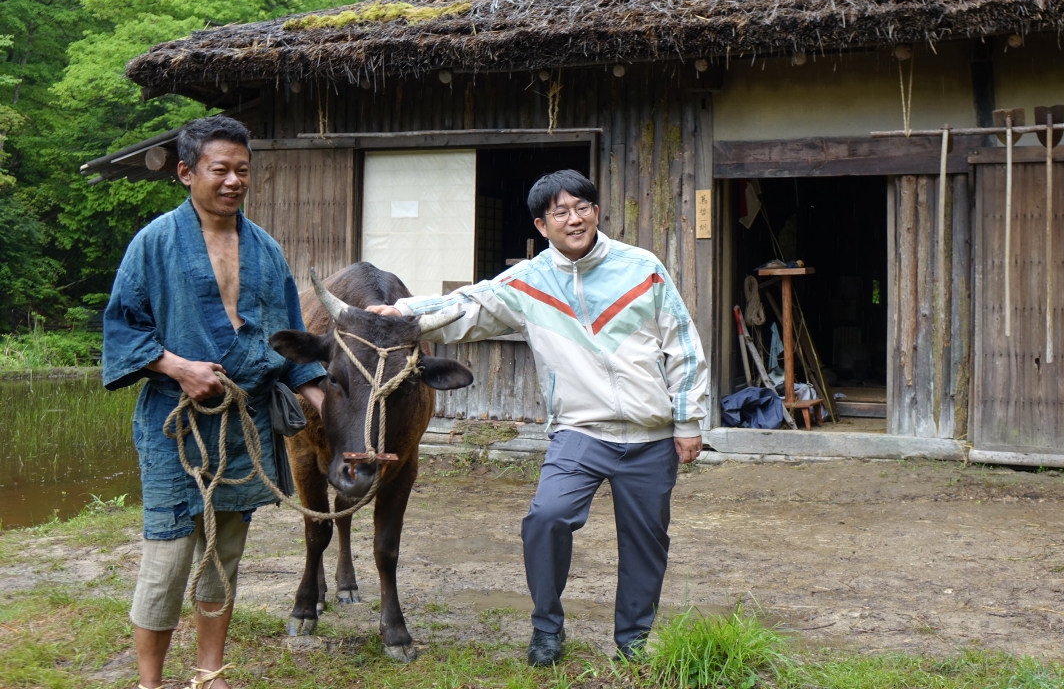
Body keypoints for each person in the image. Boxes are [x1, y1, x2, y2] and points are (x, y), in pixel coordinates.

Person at [366, 169, 708, 665]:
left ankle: (633, 641)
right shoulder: (529, 281)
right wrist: (401, 313)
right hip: (580, 431)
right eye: (560, 212)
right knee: (545, 518)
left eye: (583, 207)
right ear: (542, 225)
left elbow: (684, 345)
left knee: (646, 541)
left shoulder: (643, 268)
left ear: (596, 212)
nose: (575, 219)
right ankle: (547, 627)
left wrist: (687, 420)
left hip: (651, 435)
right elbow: (467, 305)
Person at [102, 116, 325, 689]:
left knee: (223, 556)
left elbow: (291, 342)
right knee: (168, 558)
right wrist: (177, 367)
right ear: (186, 172)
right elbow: (123, 328)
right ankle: (150, 683)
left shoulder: (267, 250)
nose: (233, 181)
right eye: (220, 169)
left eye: (242, 170)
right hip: (174, 426)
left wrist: (323, 399)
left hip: (244, 425)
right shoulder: (154, 243)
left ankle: (209, 672)